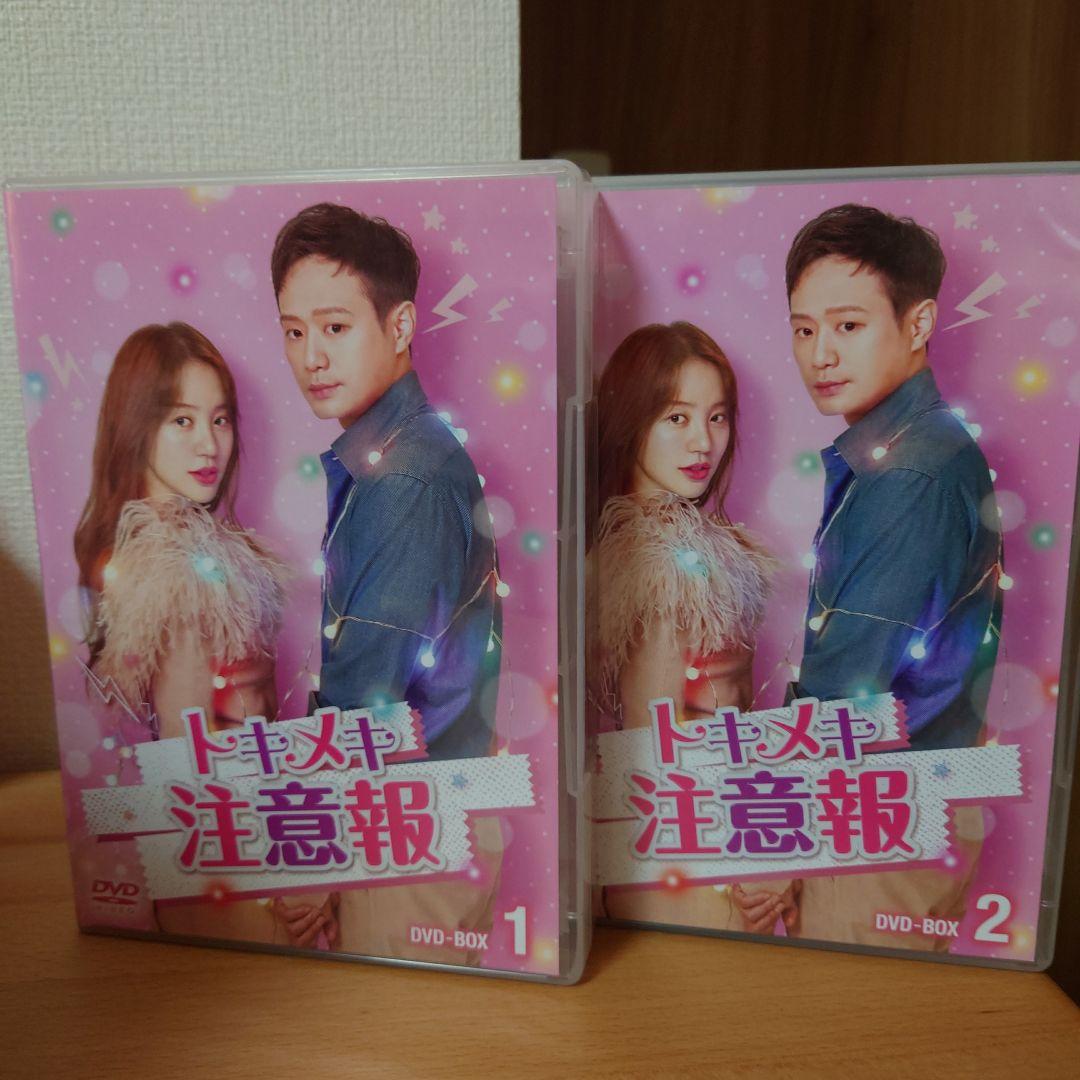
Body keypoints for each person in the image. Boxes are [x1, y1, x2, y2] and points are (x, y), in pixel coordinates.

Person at [269, 203, 502, 961]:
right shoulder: (392, 457)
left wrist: (311, 860)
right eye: (293, 332)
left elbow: (367, 701)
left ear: (400, 327)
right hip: (411, 822)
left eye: (335, 327)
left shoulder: (406, 477)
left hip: (410, 833)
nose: (311, 356)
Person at [778, 203, 1002, 949]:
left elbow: (849, 694)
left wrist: (772, 847)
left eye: (848, 325)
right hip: (896, 813)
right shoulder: (907, 451)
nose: (821, 354)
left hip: (878, 823)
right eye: (803, 330)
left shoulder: (911, 473)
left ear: (918, 323)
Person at [74, 321, 288, 941]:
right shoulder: (175, 567)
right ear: (136, 427)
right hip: (226, 860)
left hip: (215, 847)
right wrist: (282, 882)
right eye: (182, 420)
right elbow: (191, 751)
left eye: (220, 420)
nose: (208, 445)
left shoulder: (175, 552)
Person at [594, 321, 781, 933]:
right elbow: (654, 740)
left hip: (690, 836)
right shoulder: (656, 560)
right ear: (631, 422)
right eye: (677, 417)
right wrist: (745, 855)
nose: (703, 441)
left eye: (717, 417)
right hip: (685, 850)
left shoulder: (685, 548)